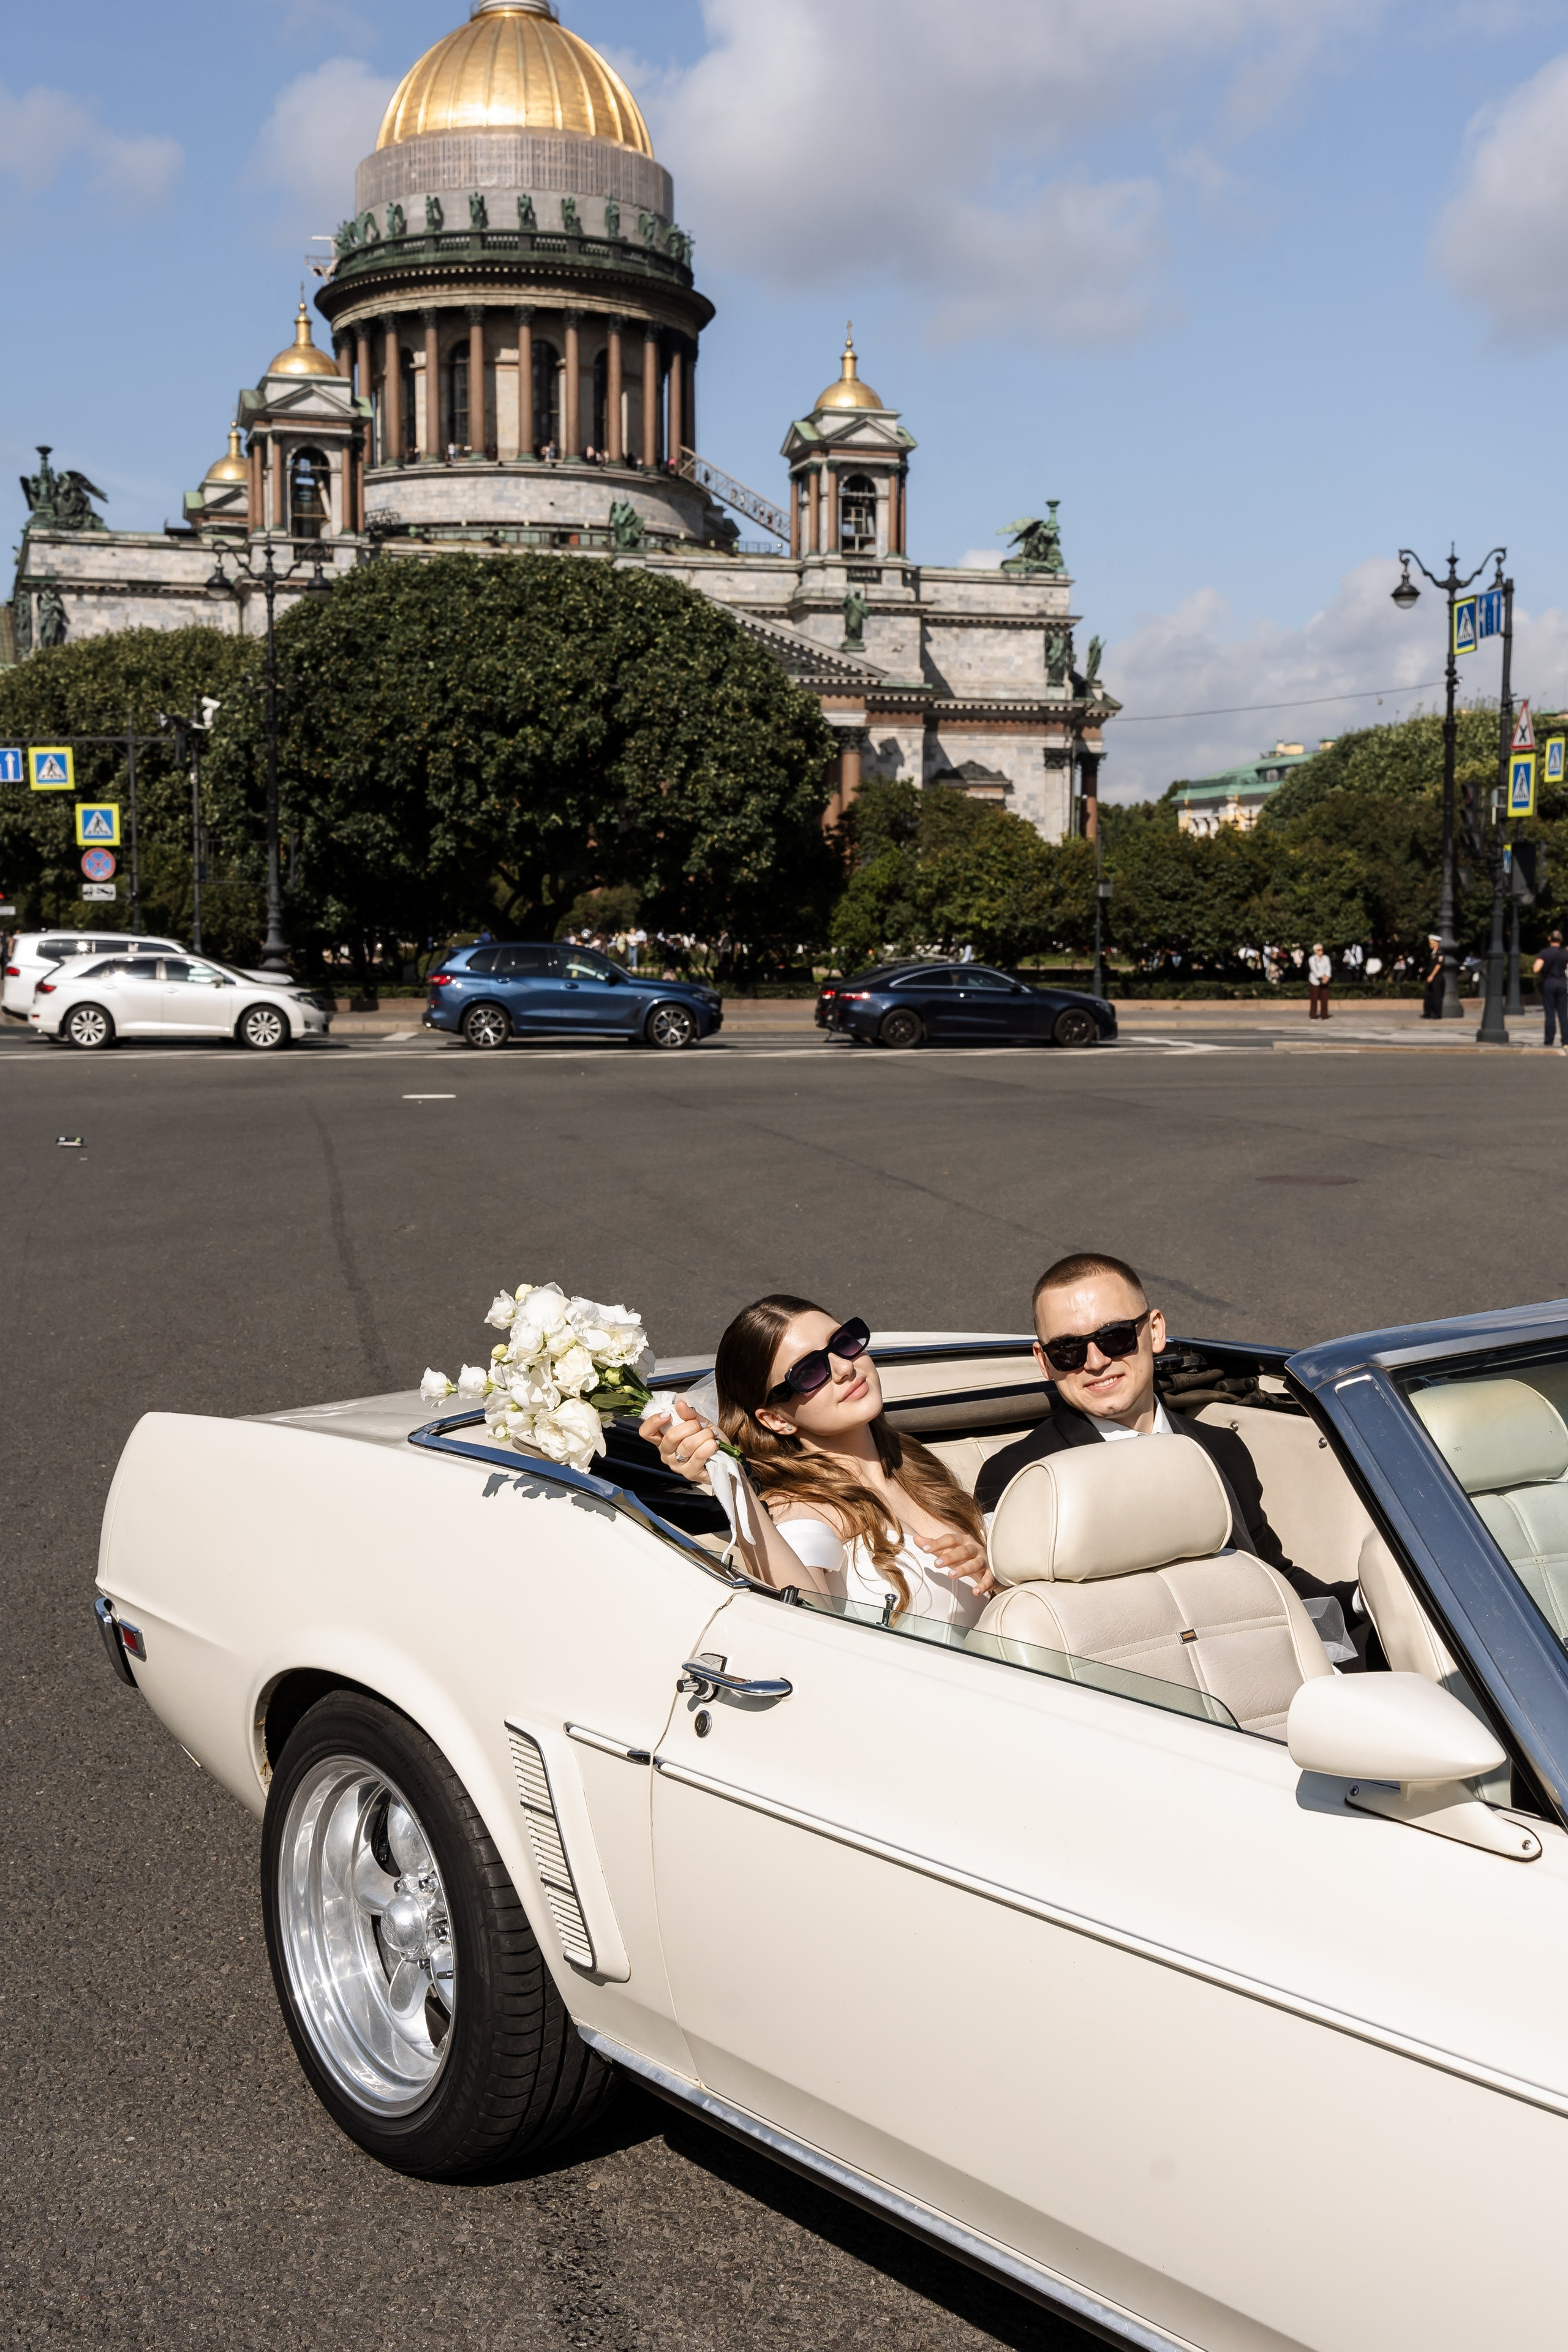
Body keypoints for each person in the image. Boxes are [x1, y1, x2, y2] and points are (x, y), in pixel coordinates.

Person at [972, 1251, 1364, 1662]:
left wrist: (1362, 1600)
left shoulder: (1220, 1448)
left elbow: (1271, 1579)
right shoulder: (1022, 1476)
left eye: (1115, 1336)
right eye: (1067, 1350)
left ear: (1154, 1331)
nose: (1095, 1361)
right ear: (1044, 1362)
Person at [646, 1296, 994, 1625]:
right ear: (776, 1419)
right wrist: (729, 1476)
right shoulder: (801, 1510)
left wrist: (994, 1574)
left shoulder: (912, 1460)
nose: (845, 1367)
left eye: (843, 1342)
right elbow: (805, 1622)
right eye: (810, 1372)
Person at [1534, 929, 1568, 1050]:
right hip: (1562, 985)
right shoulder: (1565, 953)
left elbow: (1536, 969)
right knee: (1563, 1014)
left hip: (1549, 984)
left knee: (1550, 1014)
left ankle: (1549, 1041)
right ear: (1561, 940)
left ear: (1549, 939)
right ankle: (1566, 1041)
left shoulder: (1545, 953)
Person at [1306, 942, 1332, 1020]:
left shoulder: (1326, 958)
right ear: (1315, 951)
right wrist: (1322, 977)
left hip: (1325, 981)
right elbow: (1314, 970)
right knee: (1314, 998)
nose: (1321, 951)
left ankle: (1324, 1016)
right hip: (1315, 981)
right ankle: (1313, 1016)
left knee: (1324, 998)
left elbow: (1328, 968)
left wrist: (1327, 977)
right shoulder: (1312, 959)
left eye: (1322, 949)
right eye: (1319, 950)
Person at [1422, 935, 1444, 1019]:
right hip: (1431, 977)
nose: (1430, 945)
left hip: (1437, 977)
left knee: (1436, 996)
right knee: (1427, 995)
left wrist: (1432, 976)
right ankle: (1427, 1013)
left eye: (1432, 943)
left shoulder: (1440, 953)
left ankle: (1437, 1014)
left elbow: (1439, 965)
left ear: (1437, 943)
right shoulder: (1433, 953)